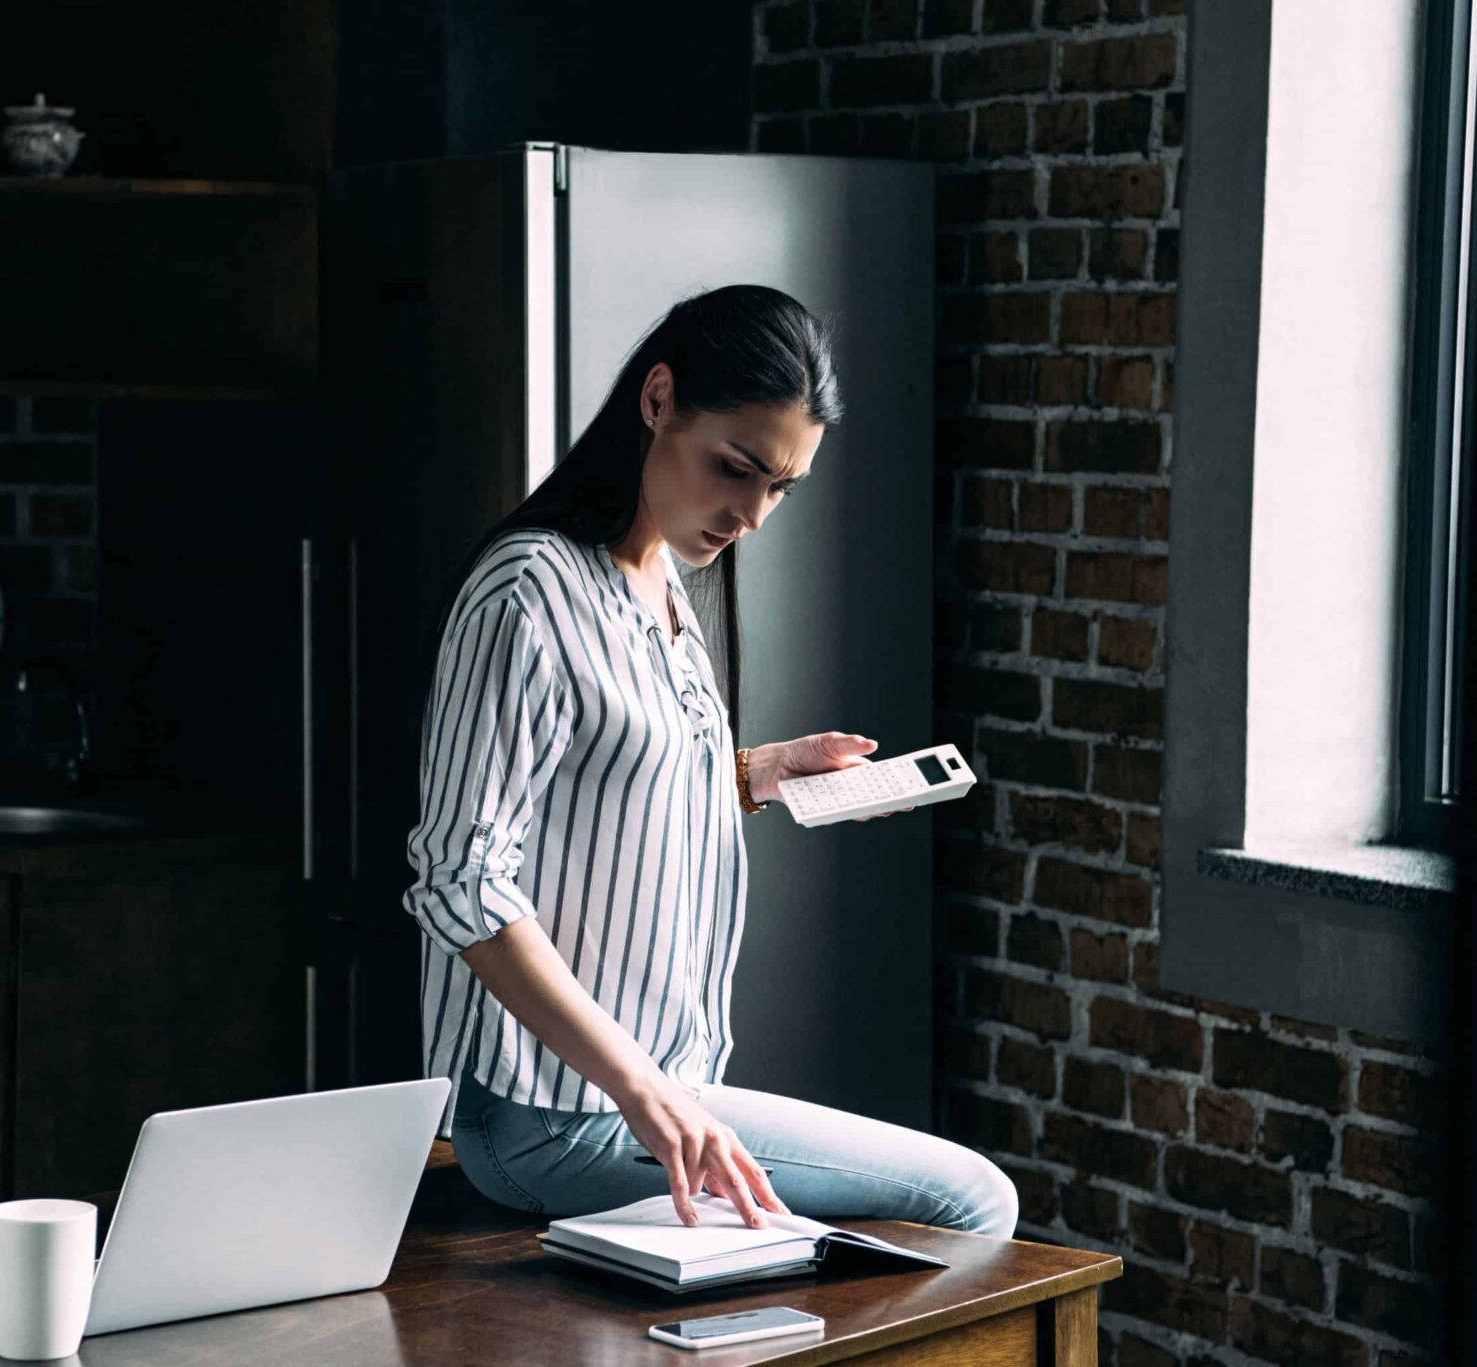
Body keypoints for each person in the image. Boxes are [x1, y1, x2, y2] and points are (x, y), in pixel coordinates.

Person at [402, 284, 1018, 1239]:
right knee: (971, 1197)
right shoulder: (529, 591)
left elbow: (596, 785)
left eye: (781, 487)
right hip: (554, 1118)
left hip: (645, 1091)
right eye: (736, 468)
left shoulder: (657, 581)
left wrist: (755, 775)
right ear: (658, 400)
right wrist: (646, 1091)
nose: (753, 515)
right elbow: (461, 877)